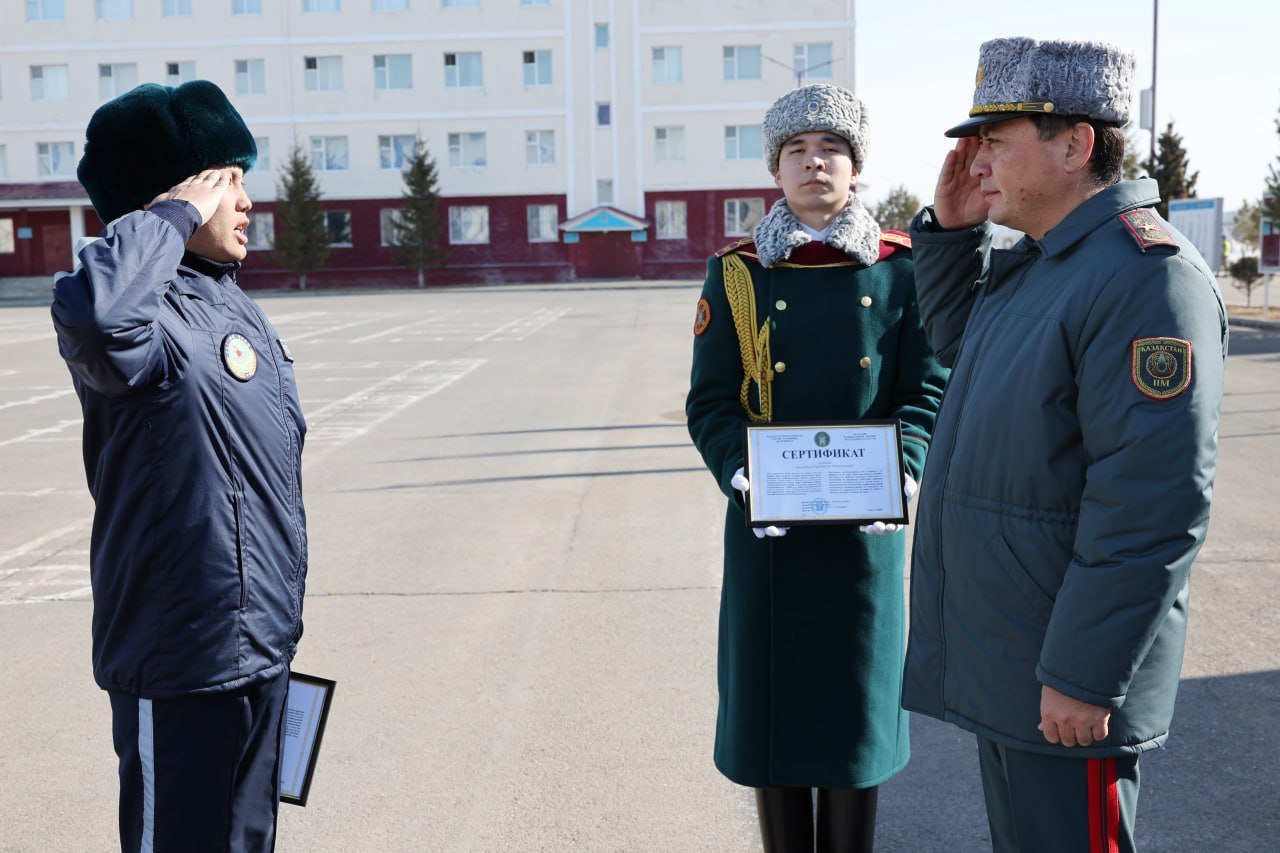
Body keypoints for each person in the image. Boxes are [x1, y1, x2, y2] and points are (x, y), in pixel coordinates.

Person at [901, 37, 1227, 852]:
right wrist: (950, 236)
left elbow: (1151, 503)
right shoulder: (1045, 263)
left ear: (1075, 145)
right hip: (1016, 659)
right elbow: (965, 351)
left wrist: (1084, 674)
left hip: (1063, 679)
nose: (977, 162)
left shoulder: (1145, 276)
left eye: (995, 141)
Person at [685, 83, 948, 852]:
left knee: (853, 725)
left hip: (863, 541)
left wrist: (904, 469)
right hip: (769, 539)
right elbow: (711, 402)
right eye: (796, 150)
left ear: (855, 166)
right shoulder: (739, 274)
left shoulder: (900, 271)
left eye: (830, 148)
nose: (814, 162)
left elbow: (925, 389)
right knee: (774, 723)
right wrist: (742, 475)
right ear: (776, 170)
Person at [51, 80, 308, 853]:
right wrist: (169, 218)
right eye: (228, 181)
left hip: (261, 649)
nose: (248, 201)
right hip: (183, 663)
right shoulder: (138, 313)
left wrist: (279, 627)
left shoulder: (231, 305)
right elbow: (99, 321)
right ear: (179, 196)